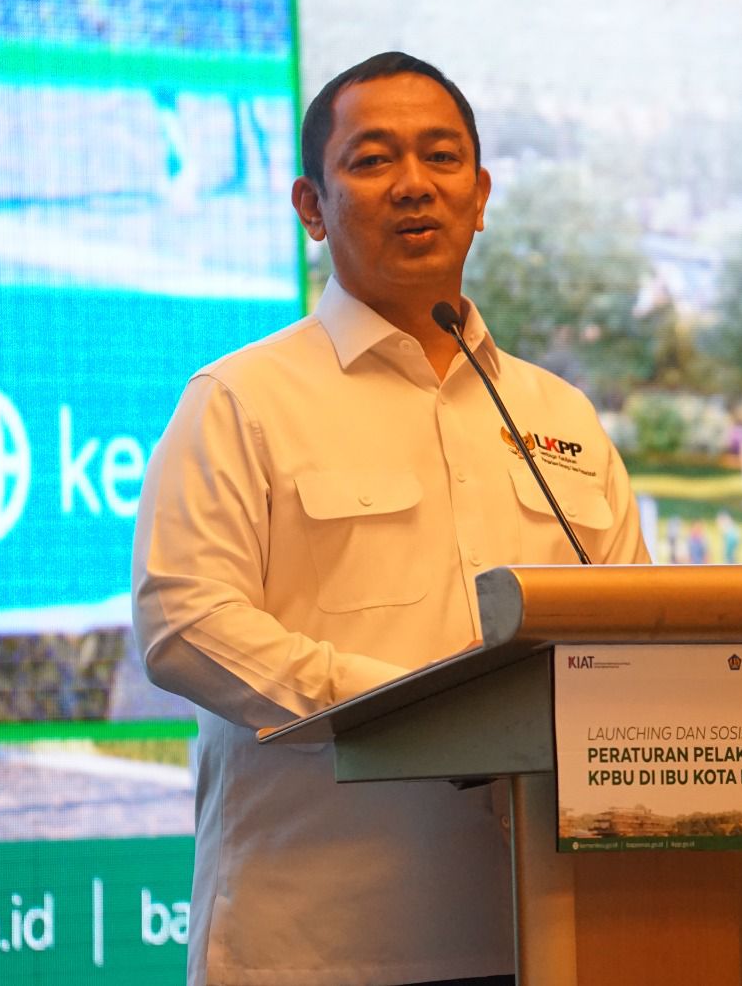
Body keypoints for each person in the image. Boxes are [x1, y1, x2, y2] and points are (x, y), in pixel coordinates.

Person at [133, 52, 650, 986]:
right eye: (373, 160)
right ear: (312, 207)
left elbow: (635, 639)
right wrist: (411, 711)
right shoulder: (242, 399)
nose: (415, 184)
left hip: (550, 936)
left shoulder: (561, 416)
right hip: (320, 944)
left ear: (480, 195)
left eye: (442, 158)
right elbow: (184, 623)